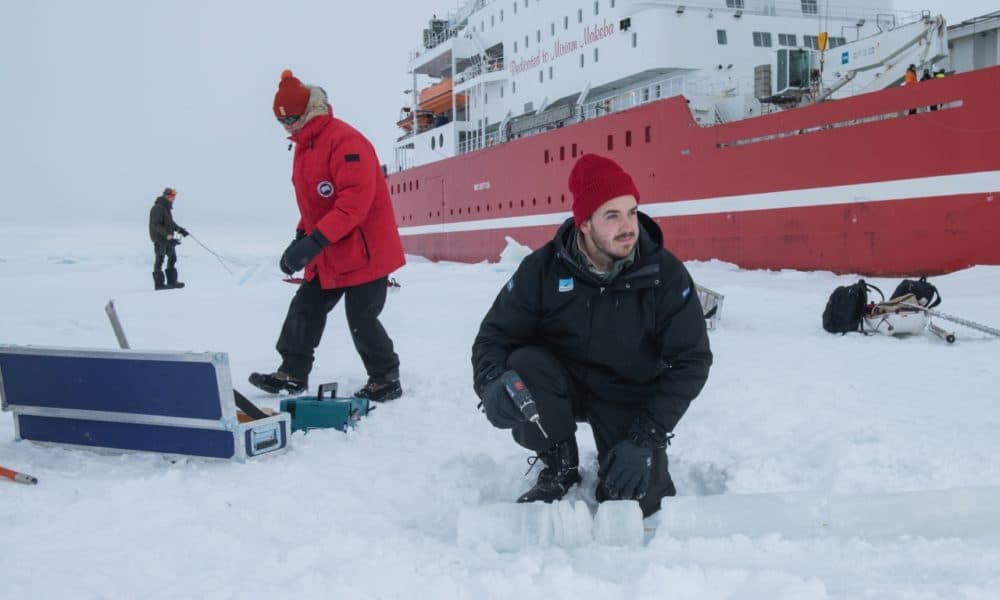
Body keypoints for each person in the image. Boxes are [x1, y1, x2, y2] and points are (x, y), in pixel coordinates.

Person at [471, 154, 713, 518]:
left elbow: (692, 360)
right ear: (584, 224)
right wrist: (490, 383)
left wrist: (645, 439)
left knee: (635, 502)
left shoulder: (665, 274)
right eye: (612, 216)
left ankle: (628, 457)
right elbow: (494, 336)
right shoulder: (542, 268)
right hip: (559, 385)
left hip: (627, 395)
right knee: (522, 365)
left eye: (631, 212)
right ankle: (559, 460)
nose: (628, 226)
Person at [249, 70, 405, 401]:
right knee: (304, 307)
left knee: (361, 317)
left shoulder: (345, 141)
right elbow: (315, 205)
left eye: (291, 118)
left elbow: (353, 204)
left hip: (365, 250)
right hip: (332, 249)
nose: (288, 126)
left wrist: (313, 242)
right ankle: (292, 372)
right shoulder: (305, 146)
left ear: (307, 112)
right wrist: (300, 238)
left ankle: (385, 378)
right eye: (282, 122)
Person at [148, 187, 188, 290]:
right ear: (167, 196)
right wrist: (166, 235)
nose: (174, 198)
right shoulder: (158, 208)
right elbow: (155, 224)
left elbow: (170, 223)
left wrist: (180, 230)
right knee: (160, 260)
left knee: (172, 258)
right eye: (172, 196)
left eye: (174, 196)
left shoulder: (166, 208)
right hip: (160, 238)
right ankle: (159, 284)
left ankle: (172, 282)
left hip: (167, 239)